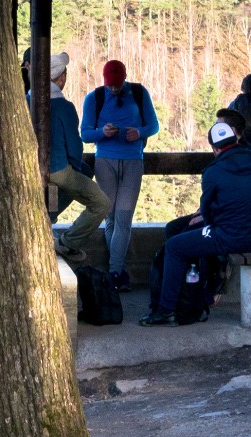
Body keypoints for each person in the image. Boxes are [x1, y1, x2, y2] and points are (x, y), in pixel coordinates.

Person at [140, 110, 251, 326]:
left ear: (214, 148)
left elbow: (207, 213)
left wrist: (207, 220)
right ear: (235, 139)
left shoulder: (213, 171)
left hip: (235, 235)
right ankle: (195, 293)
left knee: (174, 246)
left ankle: (166, 311)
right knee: (179, 230)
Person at [81, 59, 159, 288]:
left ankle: (114, 272)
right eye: (110, 85)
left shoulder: (139, 93)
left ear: (125, 78)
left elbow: (153, 125)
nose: (114, 89)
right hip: (105, 161)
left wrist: (140, 132)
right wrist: (102, 132)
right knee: (111, 217)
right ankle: (118, 273)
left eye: (117, 84)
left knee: (124, 218)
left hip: (133, 161)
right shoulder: (94, 98)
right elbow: (85, 134)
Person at [30, 51, 112, 261]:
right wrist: (74, 168)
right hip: (57, 168)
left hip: (30, 168)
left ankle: (49, 217)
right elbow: (75, 148)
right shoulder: (63, 107)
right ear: (61, 78)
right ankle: (67, 243)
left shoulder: (28, 99)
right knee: (100, 203)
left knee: (79, 175)